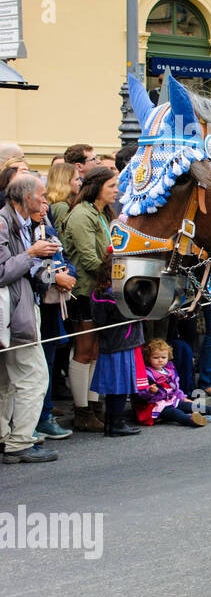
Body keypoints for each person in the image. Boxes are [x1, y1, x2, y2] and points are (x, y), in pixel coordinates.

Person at [0, 174, 60, 463]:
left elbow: (38, 277)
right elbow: (2, 272)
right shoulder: (2, 223)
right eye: (42, 196)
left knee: (8, 380)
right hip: (14, 313)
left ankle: (6, 439)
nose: (46, 202)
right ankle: (20, 441)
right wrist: (31, 253)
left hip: (20, 309)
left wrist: (46, 262)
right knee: (34, 377)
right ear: (26, 198)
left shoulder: (33, 226)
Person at [61, 166, 118, 431]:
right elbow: (88, 258)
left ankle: (95, 406)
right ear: (97, 188)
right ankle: (82, 411)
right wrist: (114, 277)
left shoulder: (101, 214)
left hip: (99, 289)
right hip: (84, 290)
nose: (116, 191)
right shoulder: (82, 215)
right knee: (83, 351)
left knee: (95, 350)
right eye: (112, 186)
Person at [32, 188, 76, 441]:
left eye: (46, 200)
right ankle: (34, 419)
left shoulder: (47, 230)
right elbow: (28, 267)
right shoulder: (22, 232)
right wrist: (53, 278)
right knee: (32, 367)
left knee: (46, 363)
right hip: (32, 306)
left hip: (52, 306)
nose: (45, 206)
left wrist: (68, 274)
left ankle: (44, 416)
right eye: (40, 200)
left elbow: (64, 258)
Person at [88, 256, 143, 437]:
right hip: (120, 344)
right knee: (119, 388)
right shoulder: (114, 295)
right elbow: (129, 313)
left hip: (110, 344)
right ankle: (116, 423)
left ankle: (111, 423)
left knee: (114, 388)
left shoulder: (98, 293)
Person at [135, 339, 211, 427]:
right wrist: (149, 391)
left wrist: (183, 398)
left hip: (172, 400)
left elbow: (176, 389)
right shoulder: (146, 373)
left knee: (189, 405)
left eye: (163, 357)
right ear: (148, 358)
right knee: (175, 413)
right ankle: (190, 420)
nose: (160, 360)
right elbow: (141, 394)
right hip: (156, 405)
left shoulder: (169, 371)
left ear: (168, 357)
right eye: (156, 358)